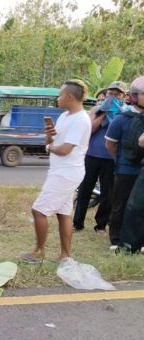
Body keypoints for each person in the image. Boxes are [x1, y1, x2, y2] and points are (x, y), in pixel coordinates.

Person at [20, 80, 91, 263]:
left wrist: (50, 146)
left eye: (60, 95)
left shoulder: (81, 119)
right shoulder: (65, 116)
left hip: (67, 172)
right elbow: (51, 142)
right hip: (61, 170)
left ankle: (38, 252)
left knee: (39, 210)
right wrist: (49, 136)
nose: (57, 98)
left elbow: (65, 149)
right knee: (63, 212)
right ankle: (65, 255)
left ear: (69, 97)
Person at [73, 81, 126, 234]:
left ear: (123, 96)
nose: (113, 96)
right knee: (84, 190)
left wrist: (114, 113)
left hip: (111, 158)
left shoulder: (124, 112)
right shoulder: (97, 109)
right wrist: (103, 112)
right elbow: (89, 129)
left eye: (117, 94)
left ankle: (101, 225)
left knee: (107, 194)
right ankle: (78, 223)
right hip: (92, 155)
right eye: (110, 93)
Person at [106, 76, 144, 250]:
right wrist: (120, 160)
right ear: (134, 96)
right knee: (120, 204)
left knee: (139, 207)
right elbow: (110, 144)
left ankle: (138, 239)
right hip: (126, 169)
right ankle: (116, 238)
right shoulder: (121, 119)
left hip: (141, 170)